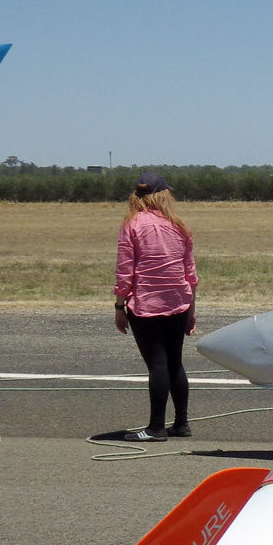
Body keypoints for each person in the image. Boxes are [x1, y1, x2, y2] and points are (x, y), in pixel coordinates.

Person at [114, 172, 197, 441]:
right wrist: (191, 310)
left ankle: (156, 427)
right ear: (164, 195)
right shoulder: (179, 225)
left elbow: (125, 270)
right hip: (179, 302)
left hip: (145, 305)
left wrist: (119, 305)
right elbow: (190, 273)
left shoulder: (132, 224)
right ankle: (181, 423)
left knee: (158, 365)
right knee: (175, 363)